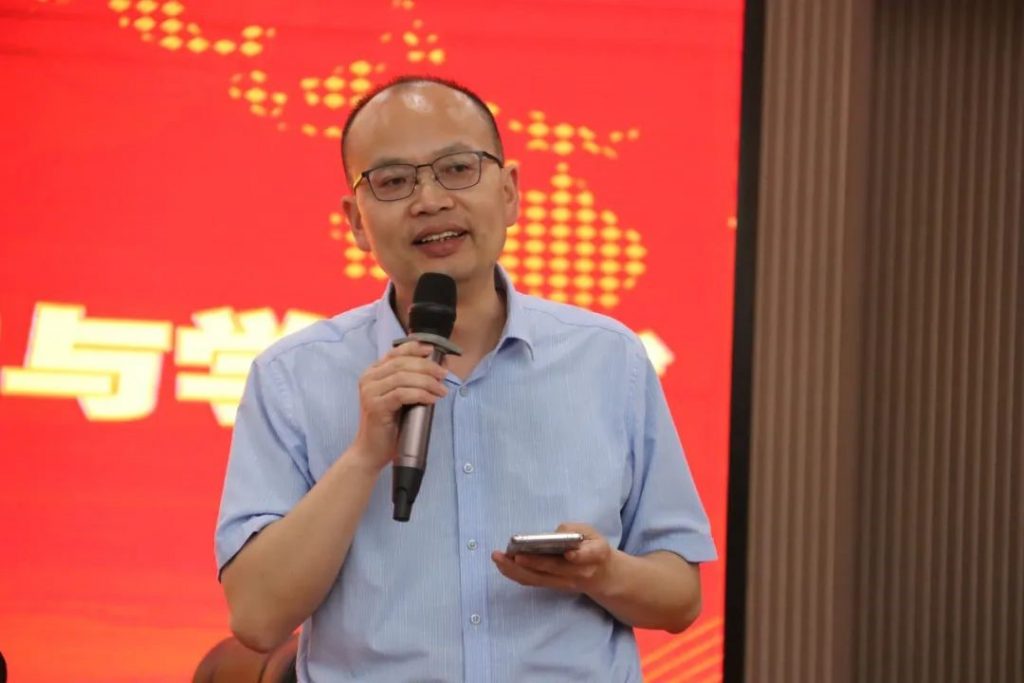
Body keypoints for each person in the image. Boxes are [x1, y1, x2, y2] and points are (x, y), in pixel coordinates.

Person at [215, 75, 716, 682]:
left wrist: (605, 572)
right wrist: (364, 455)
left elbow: (679, 599)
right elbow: (258, 620)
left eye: (457, 169)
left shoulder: (608, 358)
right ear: (356, 221)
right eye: (393, 181)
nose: (429, 201)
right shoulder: (292, 377)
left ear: (509, 193)